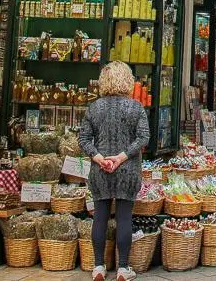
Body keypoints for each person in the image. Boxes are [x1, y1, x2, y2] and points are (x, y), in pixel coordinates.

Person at [78, 61, 150, 281]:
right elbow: (143, 137)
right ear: (127, 81)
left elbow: (83, 139)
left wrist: (100, 158)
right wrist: (121, 157)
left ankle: (99, 266)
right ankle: (123, 268)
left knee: (99, 216)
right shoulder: (135, 107)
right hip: (127, 169)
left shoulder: (94, 107)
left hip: (100, 171)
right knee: (124, 217)